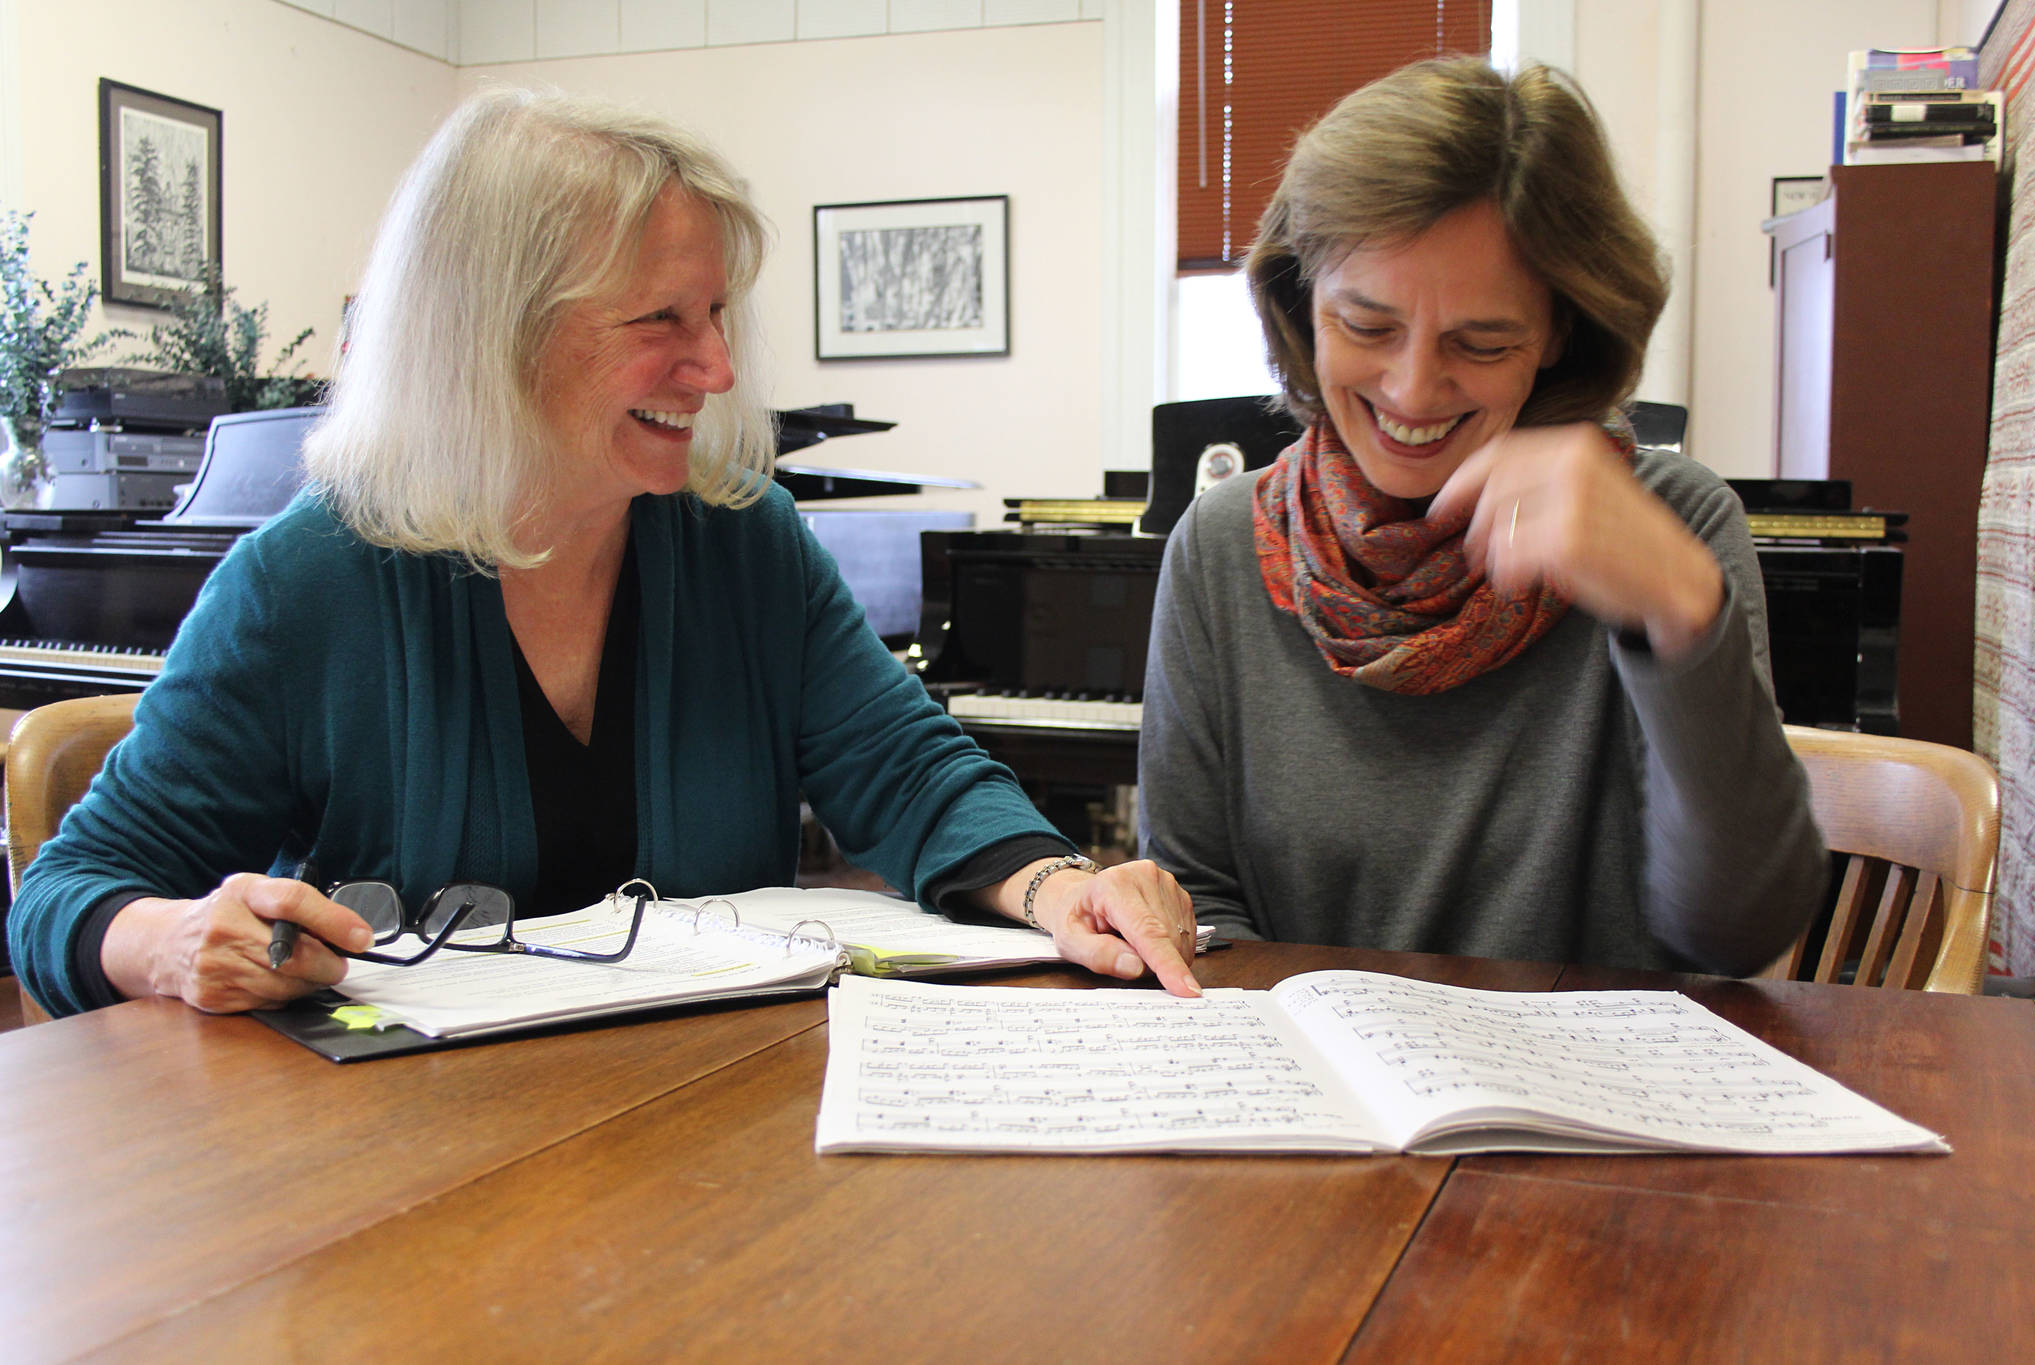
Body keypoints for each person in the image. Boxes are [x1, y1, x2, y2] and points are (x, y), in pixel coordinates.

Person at [8, 88, 1198, 1018]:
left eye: (716, 313)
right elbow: (66, 897)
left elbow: (907, 772)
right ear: (494, 335)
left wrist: (1057, 886)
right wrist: (169, 943)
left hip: (692, 1138)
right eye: (660, 319)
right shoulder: (303, 585)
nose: (716, 368)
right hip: (407, 1175)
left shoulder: (743, 545)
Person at [1137, 58, 1827, 975]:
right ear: (1301, 303)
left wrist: (1682, 622)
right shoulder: (1220, 545)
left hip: (1584, 1067)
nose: (1413, 390)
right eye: (1367, 327)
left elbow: (1738, 936)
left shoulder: (1674, 523)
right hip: (1303, 1062)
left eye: (1483, 342)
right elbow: (1195, 902)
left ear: (1560, 333)